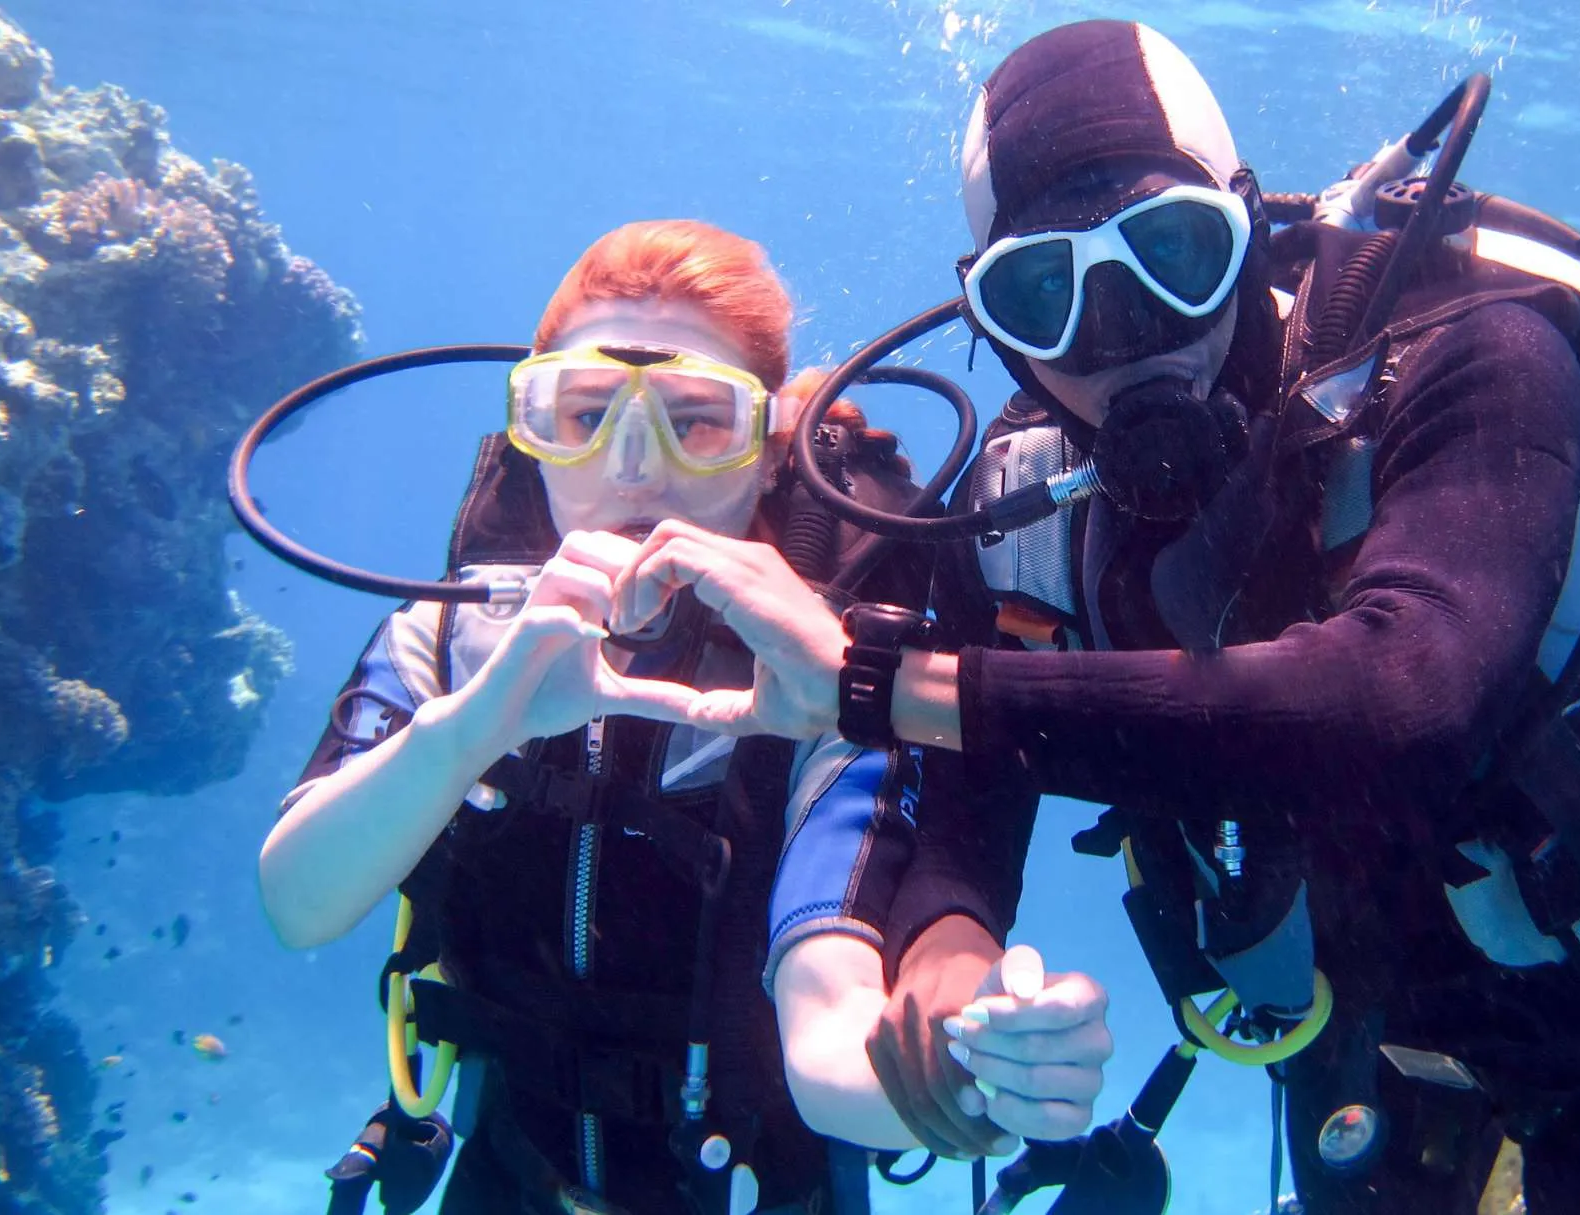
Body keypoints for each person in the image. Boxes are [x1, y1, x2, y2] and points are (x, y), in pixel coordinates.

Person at [595, 21, 1580, 1215]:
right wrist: (945, 962)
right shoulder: (1030, 515)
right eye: (1049, 294)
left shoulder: (1470, 355)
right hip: (1356, 1049)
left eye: (1174, 254)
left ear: (1248, 229)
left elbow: (1405, 697)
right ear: (992, 320)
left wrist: (880, 680)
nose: (1125, 338)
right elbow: (966, 818)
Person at [256, 219, 1113, 1215]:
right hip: (506, 1181)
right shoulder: (447, 645)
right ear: (529, 435)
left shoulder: (820, 684)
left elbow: (831, 1037)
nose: (632, 469)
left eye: (695, 421)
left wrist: (980, 1075)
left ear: (767, 453)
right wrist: (473, 726)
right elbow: (298, 904)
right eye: (581, 415)